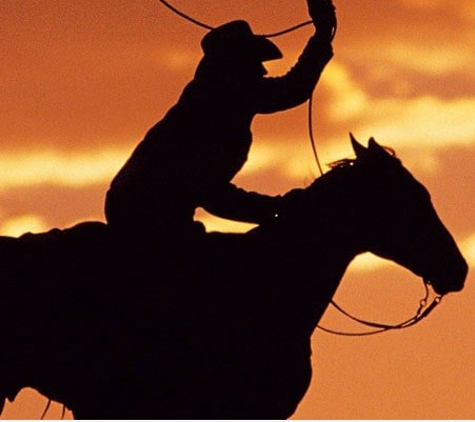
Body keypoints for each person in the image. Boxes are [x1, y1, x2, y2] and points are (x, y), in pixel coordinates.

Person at [105, 0, 337, 247]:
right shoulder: (214, 109)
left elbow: (291, 89)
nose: (261, 72)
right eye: (253, 63)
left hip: (144, 210)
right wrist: (275, 207)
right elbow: (212, 195)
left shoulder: (210, 101)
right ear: (234, 67)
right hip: (146, 214)